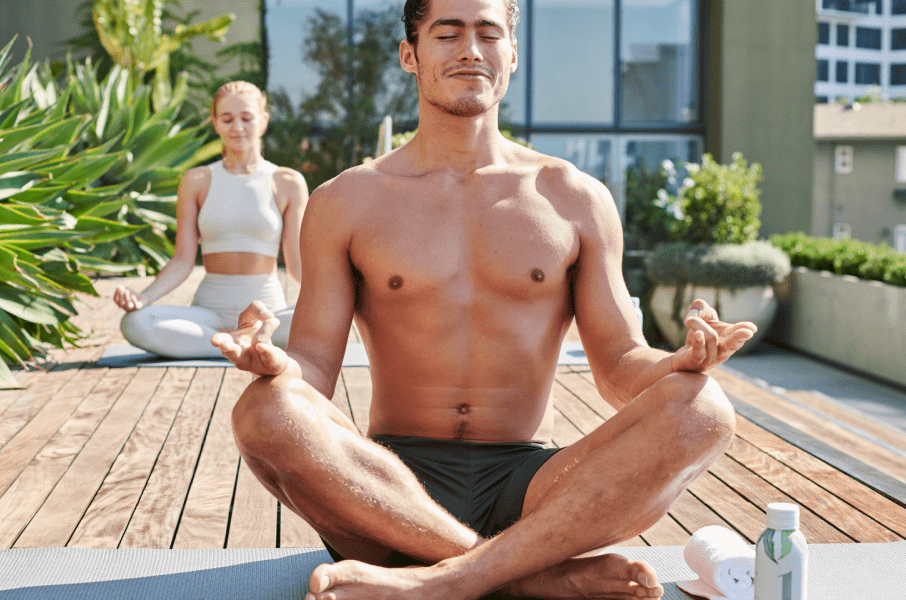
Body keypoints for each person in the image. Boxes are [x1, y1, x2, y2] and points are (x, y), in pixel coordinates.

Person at [212, 1, 756, 598]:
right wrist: (279, 365)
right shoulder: (348, 200)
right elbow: (313, 367)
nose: (470, 49)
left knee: (703, 407)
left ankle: (445, 582)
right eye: (447, 34)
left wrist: (678, 364)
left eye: (488, 33)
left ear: (512, 54)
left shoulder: (573, 197)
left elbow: (620, 362)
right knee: (264, 409)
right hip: (388, 489)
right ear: (410, 56)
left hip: (531, 485)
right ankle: (525, 575)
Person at [114, 81, 309, 359]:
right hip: (209, 314)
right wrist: (144, 298)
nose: (237, 127)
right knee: (135, 322)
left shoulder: (287, 181)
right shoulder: (197, 180)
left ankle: (231, 342)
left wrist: (341, 298)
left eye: (246, 118)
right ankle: (239, 342)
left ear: (263, 121)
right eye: (227, 119)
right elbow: (183, 259)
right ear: (215, 123)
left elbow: (297, 265)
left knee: (329, 316)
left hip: (268, 314)